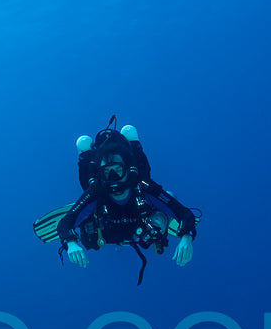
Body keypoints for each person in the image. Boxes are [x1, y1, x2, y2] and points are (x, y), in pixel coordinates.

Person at [55, 120, 198, 284]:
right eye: (107, 172)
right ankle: (85, 153)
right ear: (101, 174)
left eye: (117, 170)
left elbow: (184, 213)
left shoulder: (142, 186)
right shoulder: (96, 192)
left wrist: (186, 237)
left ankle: (130, 142)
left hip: (140, 227)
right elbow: (66, 222)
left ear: (127, 169)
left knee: (164, 195)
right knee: (87, 186)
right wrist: (71, 243)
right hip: (106, 229)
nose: (113, 177)